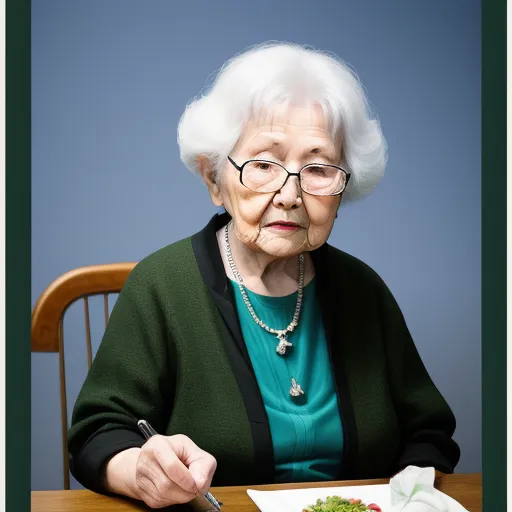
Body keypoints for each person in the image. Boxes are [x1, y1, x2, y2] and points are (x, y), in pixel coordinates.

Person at [68, 42, 460, 509]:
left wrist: (405, 499)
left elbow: (429, 432)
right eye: (263, 164)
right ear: (214, 178)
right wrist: (140, 469)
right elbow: (97, 433)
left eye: (317, 168)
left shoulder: (363, 290)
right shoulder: (161, 287)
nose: (290, 194)